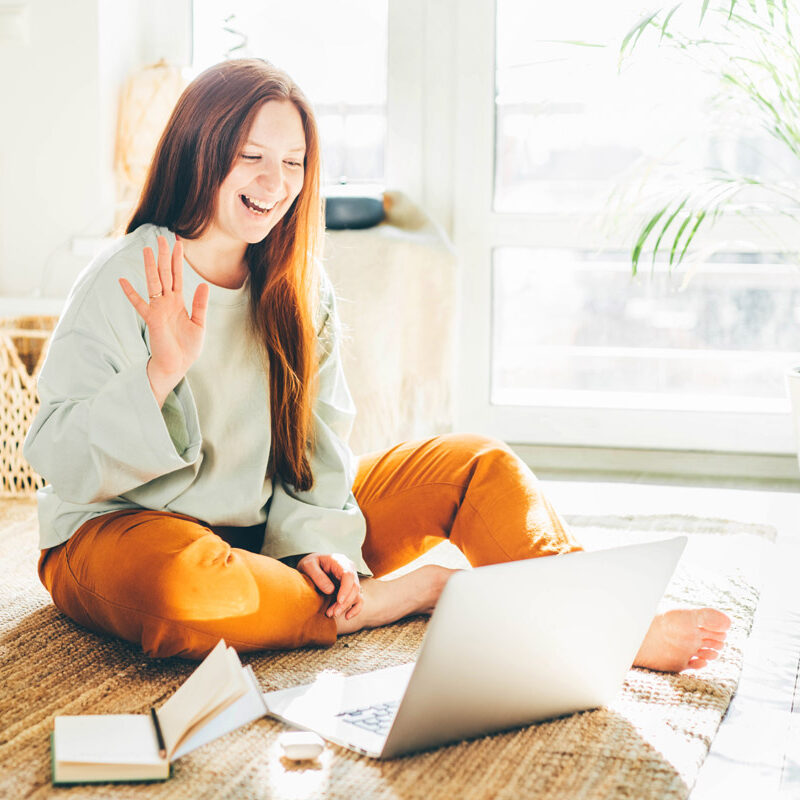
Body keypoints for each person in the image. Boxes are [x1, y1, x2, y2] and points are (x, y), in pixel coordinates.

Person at [24, 59, 730, 669]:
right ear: (200, 150)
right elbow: (56, 455)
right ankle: (407, 597)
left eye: (294, 163)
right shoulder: (128, 275)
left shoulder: (300, 290)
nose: (274, 181)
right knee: (190, 591)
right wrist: (158, 376)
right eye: (251, 156)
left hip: (262, 534)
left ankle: (603, 624)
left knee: (477, 466)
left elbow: (316, 450)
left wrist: (314, 547)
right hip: (121, 533)